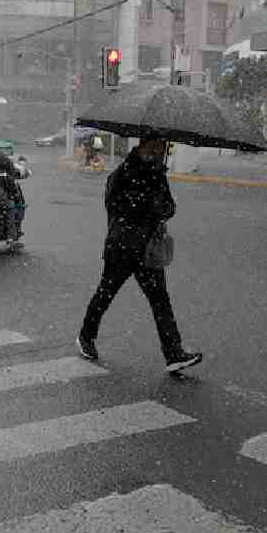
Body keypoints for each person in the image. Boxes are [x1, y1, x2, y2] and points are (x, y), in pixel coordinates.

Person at [76, 137, 203, 374]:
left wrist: (162, 208)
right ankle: (85, 337)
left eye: (162, 148)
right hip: (122, 248)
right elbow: (115, 206)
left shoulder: (158, 175)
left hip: (148, 250)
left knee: (160, 301)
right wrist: (148, 206)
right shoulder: (123, 173)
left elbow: (169, 207)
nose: (158, 151)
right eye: (154, 147)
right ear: (142, 146)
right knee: (105, 294)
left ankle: (173, 354)